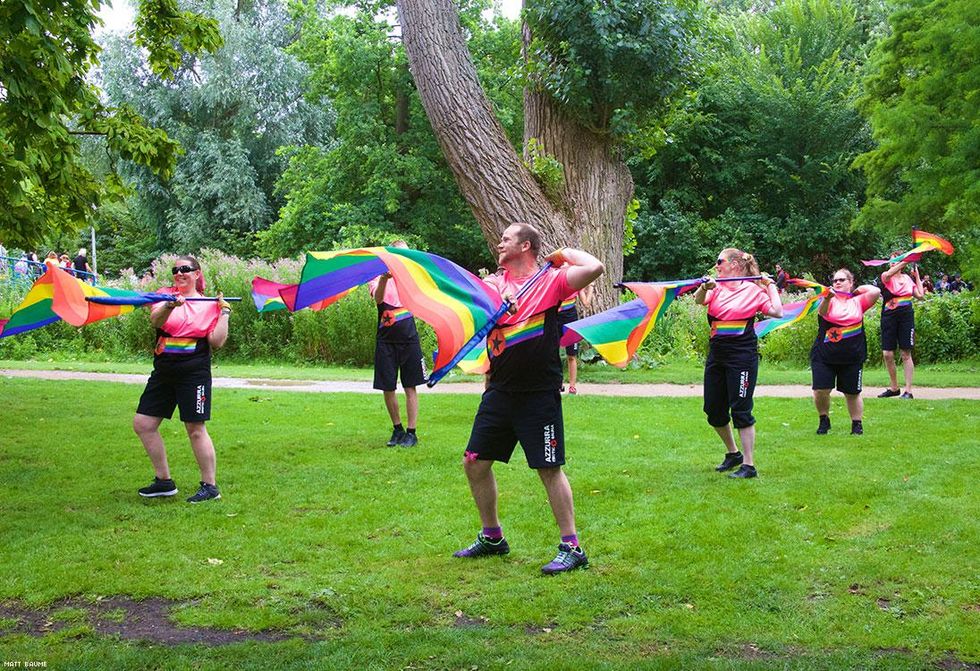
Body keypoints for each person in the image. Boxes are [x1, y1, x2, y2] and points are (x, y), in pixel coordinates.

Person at [453, 222, 604, 574]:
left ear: (526, 246)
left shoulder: (551, 282)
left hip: (539, 392)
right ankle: (493, 537)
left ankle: (573, 547)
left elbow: (594, 268)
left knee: (548, 467)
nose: (499, 243)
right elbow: (471, 301)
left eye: (506, 239)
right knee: (474, 461)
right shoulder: (494, 283)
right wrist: (494, 302)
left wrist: (563, 255)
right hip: (500, 390)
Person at [133, 255, 231, 503]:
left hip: (194, 372)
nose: (179, 273)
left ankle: (210, 487)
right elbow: (156, 320)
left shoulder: (209, 304)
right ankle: (164, 482)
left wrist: (225, 312)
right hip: (164, 370)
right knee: (143, 424)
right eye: (175, 270)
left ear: (197, 274)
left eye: (185, 269)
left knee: (195, 429)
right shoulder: (165, 295)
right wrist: (169, 305)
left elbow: (217, 342)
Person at [694, 248, 783, 479]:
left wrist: (770, 285)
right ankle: (733, 453)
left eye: (720, 261)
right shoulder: (716, 288)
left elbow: (777, 312)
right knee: (713, 410)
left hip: (742, 356)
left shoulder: (753, 291)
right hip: (717, 354)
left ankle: (749, 465)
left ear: (734, 264)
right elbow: (699, 301)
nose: (716, 266)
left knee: (741, 409)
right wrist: (705, 287)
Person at [369, 240, 425, 448]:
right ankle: (397, 429)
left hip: (409, 339)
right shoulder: (377, 276)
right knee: (388, 387)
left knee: (410, 386)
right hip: (386, 341)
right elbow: (378, 299)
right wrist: (385, 277)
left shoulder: (413, 278)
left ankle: (412, 432)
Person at [811, 269, 880, 435]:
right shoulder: (827, 300)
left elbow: (876, 291)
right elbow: (822, 312)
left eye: (842, 280)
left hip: (852, 356)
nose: (837, 283)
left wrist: (857, 290)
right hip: (824, 355)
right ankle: (824, 420)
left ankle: (857, 425)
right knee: (821, 390)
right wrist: (828, 297)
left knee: (852, 393)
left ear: (850, 282)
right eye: (835, 280)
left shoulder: (858, 301)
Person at [877, 257, 924, 399]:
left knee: (906, 353)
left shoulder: (907, 279)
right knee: (887, 354)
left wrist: (917, 277)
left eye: (896, 260)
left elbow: (920, 296)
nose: (893, 262)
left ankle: (908, 391)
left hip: (906, 315)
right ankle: (894, 388)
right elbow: (888, 274)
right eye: (891, 260)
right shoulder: (886, 276)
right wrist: (909, 259)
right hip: (889, 316)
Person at [557, 281, 594, 395]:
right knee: (553, 353)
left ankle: (572, 387)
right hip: (555, 318)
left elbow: (586, 303)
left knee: (571, 355)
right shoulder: (556, 277)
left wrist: (591, 286)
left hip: (570, 318)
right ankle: (558, 383)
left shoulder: (576, 281)